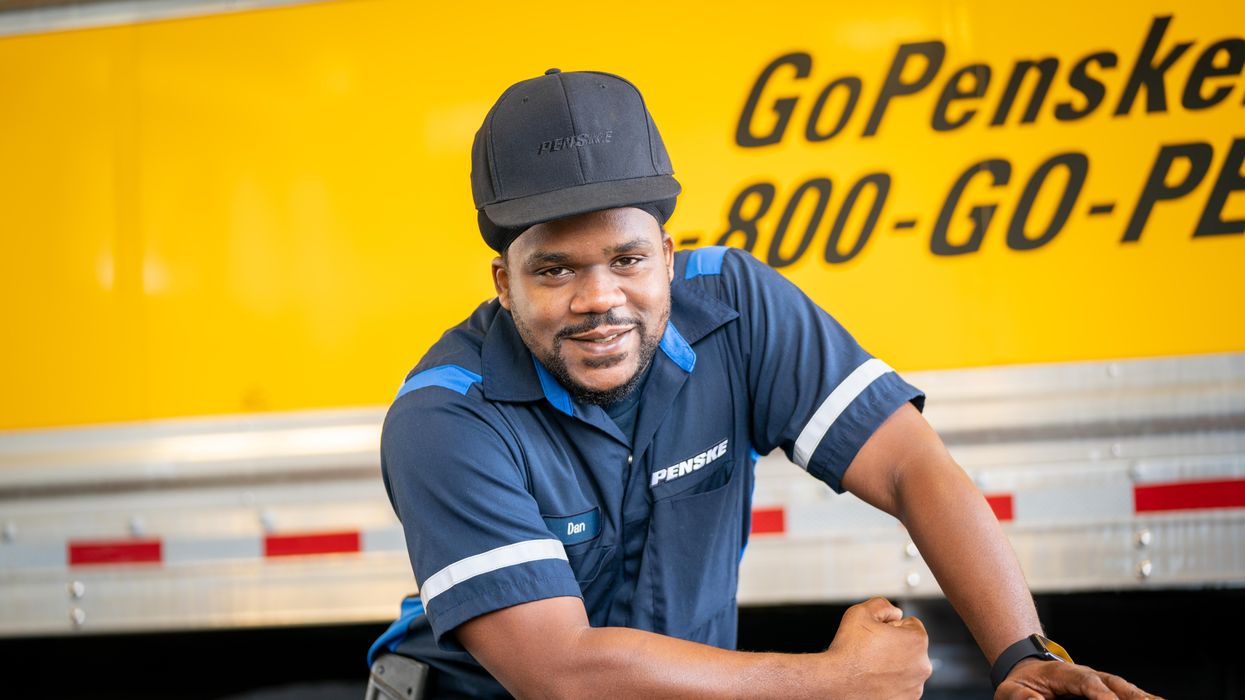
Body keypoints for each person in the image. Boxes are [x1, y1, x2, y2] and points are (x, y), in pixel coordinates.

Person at [368, 68, 1157, 699]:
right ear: (504, 285)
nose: (599, 297)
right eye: (555, 270)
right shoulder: (444, 415)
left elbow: (910, 466)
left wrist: (1021, 652)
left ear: (669, 255)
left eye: (627, 259)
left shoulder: (735, 307)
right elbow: (559, 672)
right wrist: (832, 682)